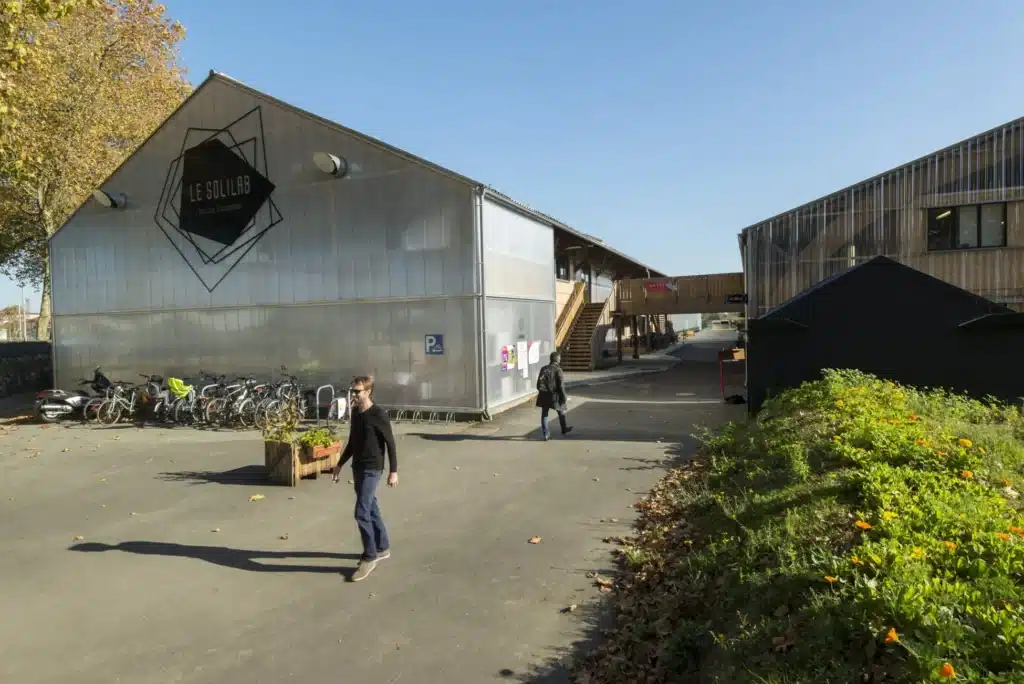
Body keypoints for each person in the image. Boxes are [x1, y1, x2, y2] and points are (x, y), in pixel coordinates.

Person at [332, 375, 398, 582]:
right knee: (370, 507)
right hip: (358, 467)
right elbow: (353, 442)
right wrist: (340, 464)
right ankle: (383, 547)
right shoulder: (357, 413)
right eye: (352, 391)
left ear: (368, 392)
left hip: (373, 468)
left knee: (361, 512)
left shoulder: (378, 414)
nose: (353, 394)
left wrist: (393, 471)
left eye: (357, 391)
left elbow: (390, 443)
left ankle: (369, 556)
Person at [536, 351, 573, 441]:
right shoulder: (558, 370)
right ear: (557, 359)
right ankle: (564, 429)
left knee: (544, 414)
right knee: (561, 412)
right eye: (559, 358)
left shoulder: (543, 369)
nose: (560, 359)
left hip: (544, 395)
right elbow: (561, 385)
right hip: (555, 396)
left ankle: (546, 434)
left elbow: (538, 384)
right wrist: (564, 396)